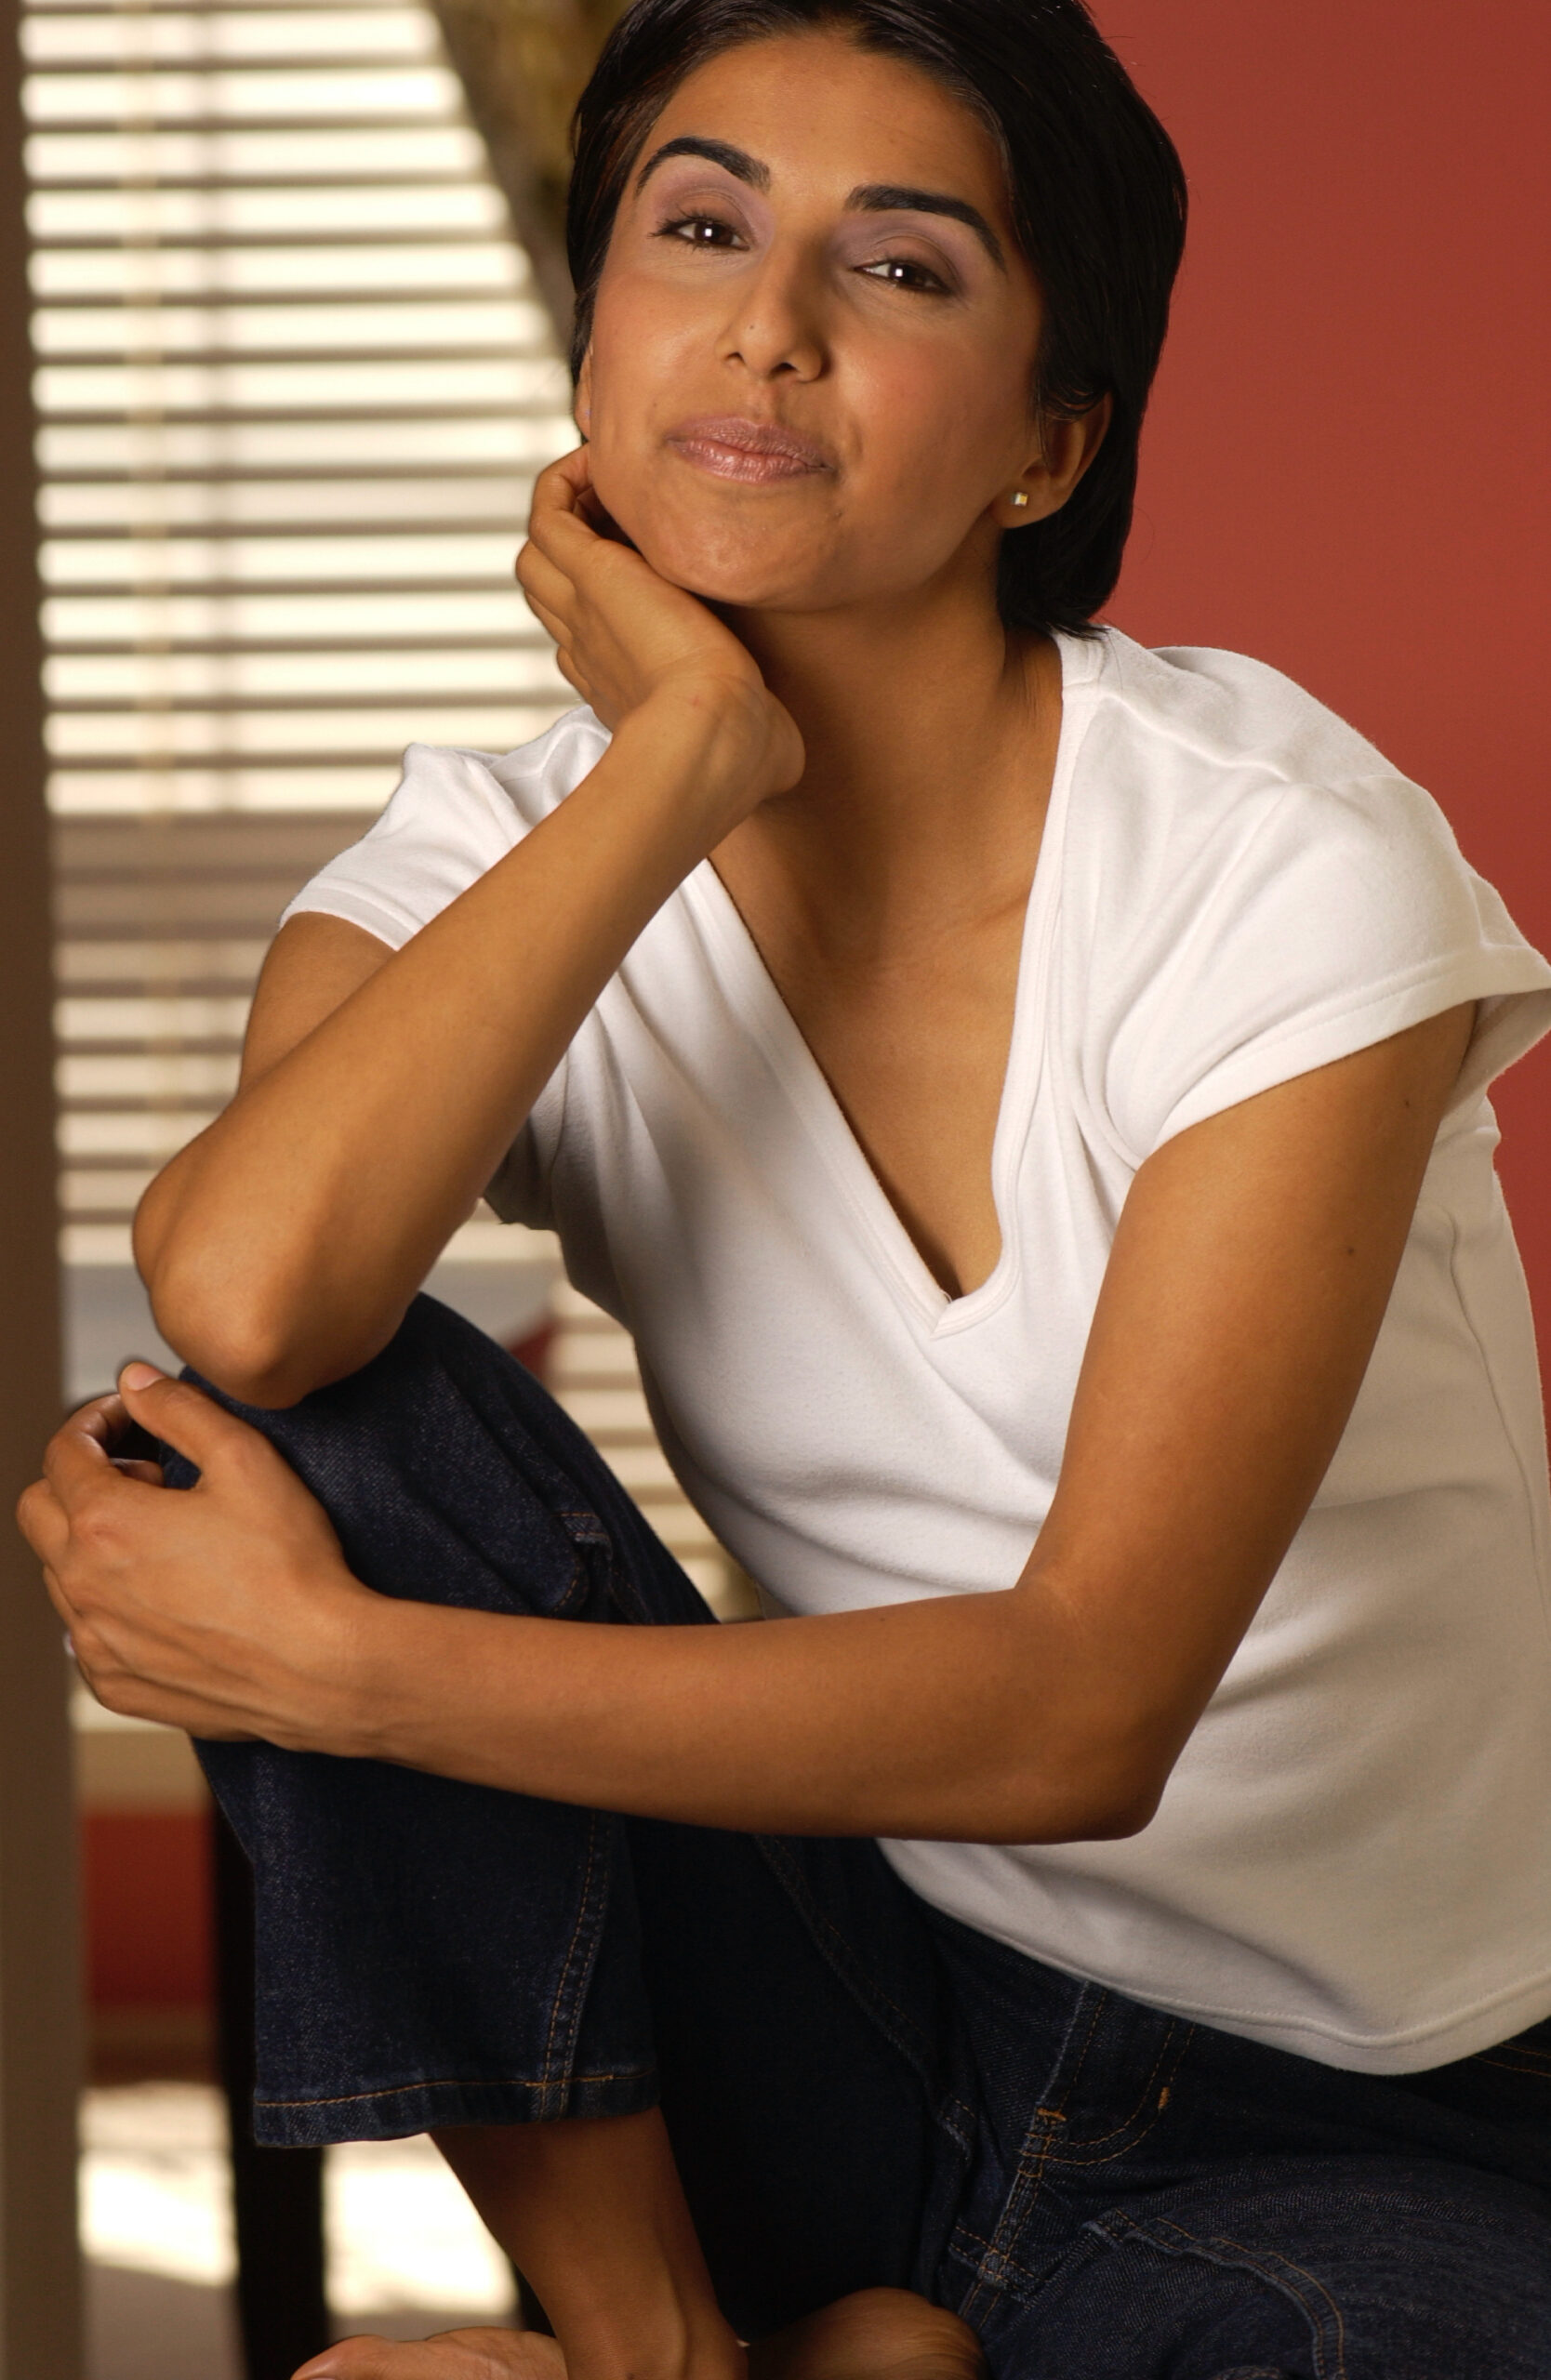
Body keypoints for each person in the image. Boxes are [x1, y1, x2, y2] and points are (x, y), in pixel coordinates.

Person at [20, 1, 1551, 2374]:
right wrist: (686, 758)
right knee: (301, 1413)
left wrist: (350, 1674)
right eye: (700, 228)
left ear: (1052, 442)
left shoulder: (1275, 868)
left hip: (1364, 2109)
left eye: (902, 267)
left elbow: (1085, 1711)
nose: (769, 324)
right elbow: (248, 1296)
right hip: (860, 1998)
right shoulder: (514, 848)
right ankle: (660, 2344)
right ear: (596, 337)